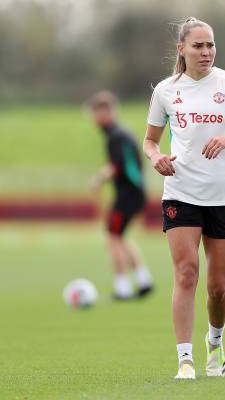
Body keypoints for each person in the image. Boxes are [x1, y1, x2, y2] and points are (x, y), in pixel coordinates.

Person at [143, 18, 225, 379]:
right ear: (182, 49)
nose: (206, 52)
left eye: (210, 45)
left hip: (223, 195)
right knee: (185, 274)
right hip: (181, 192)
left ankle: (215, 341)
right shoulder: (165, 91)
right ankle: (185, 359)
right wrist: (156, 158)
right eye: (198, 46)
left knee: (218, 288)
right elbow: (150, 141)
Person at [86, 90, 154, 300]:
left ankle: (122, 288)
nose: (93, 120)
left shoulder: (115, 136)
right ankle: (144, 280)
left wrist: (99, 179)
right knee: (120, 235)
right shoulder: (121, 134)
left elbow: (118, 166)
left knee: (113, 236)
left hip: (128, 195)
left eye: (95, 114)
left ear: (106, 112)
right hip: (136, 193)